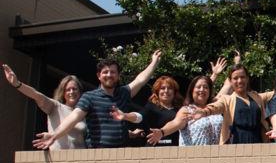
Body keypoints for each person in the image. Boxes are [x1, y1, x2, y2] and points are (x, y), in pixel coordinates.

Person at [33, 50, 162, 149]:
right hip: (96, 154)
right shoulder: (89, 97)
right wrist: (54, 136)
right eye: (105, 72)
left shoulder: (124, 93)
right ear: (99, 76)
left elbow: (140, 80)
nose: (109, 75)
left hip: (121, 152)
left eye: (113, 72)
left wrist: (154, 62)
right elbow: (73, 118)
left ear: (118, 76)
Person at [3, 66, 86, 149]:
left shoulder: (84, 113)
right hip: (59, 159)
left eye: (74, 89)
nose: (71, 92)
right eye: (68, 89)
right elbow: (36, 95)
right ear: (63, 93)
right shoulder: (55, 107)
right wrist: (17, 84)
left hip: (80, 158)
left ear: (80, 92)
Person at [193, 64, 271, 144]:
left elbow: (274, 94)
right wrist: (204, 112)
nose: (240, 81)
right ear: (230, 81)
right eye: (235, 78)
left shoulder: (257, 97)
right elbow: (216, 107)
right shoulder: (227, 100)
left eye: (242, 77)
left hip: (258, 145)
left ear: (247, 79)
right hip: (235, 146)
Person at [147, 74, 223, 146]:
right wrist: (162, 132)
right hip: (194, 156)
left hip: (217, 156)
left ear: (209, 91)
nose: (202, 89)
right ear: (192, 91)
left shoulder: (214, 107)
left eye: (205, 87)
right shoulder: (187, 110)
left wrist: (234, 64)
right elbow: (175, 123)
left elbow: (228, 85)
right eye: (198, 87)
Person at [137, 76, 183, 146]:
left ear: (174, 92)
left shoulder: (180, 110)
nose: (166, 91)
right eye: (162, 88)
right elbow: (138, 117)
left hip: (175, 150)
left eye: (170, 88)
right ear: (157, 91)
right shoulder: (150, 107)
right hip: (154, 149)